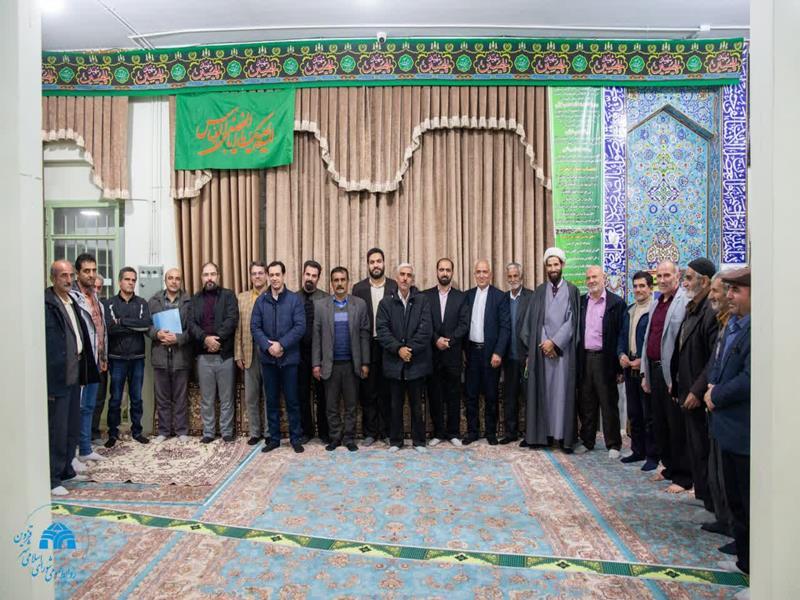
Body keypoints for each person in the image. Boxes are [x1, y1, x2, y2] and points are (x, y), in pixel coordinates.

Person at [704, 267, 751, 577]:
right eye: (729, 290)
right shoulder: (732, 324)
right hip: (726, 426)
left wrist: (716, 394)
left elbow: (749, 379)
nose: (729, 296)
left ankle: (753, 567)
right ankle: (743, 561)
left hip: (742, 429)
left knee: (747, 501)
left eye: (736, 290)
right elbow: (718, 363)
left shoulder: (757, 329)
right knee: (735, 499)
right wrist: (711, 387)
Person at [45, 260, 98, 495]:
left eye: (70, 275)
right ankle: (53, 478)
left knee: (71, 425)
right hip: (58, 375)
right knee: (57, 429)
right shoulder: (48, 304)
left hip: (75, 372)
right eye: (63, 276)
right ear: (53, 278)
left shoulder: (71, 301)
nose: (68, 280)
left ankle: (67, 469)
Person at [670, 258, 719, 510]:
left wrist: (697, 391)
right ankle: (704, 496)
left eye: (689, 278)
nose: (685, 283)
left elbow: (713, 359)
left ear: (705, 281)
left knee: (703, 448)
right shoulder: (694, 308)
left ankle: (712, 502)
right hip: (686, 388)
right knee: (694, 446)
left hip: (698, 394)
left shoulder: (711, 312)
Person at [520, 248, 581, 452]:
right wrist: (545, 343)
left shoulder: (572, 290)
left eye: (556, 264)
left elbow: (572, 321)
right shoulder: (539, 291)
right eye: (549, 265)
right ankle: (543, 436)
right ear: (546, 267)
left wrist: (554, 343)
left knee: (561, 395)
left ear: (562, 266)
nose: (553, 268)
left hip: (563, 353)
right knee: (543, 394)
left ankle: (563, 438)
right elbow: (534, 322)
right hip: (542, 353)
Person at [641, 260, 690, 493]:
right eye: (659, 276)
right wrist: (645, 373)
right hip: (654, 370)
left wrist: (677, 378)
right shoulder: (656, 303)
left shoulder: (684, 302)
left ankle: (683, 476)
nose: (662, 280)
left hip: (672, 373)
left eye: (667, 275)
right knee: (659, 423)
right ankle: (669, 467)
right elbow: (648, 339)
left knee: (676, 425)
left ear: (677, 276)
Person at [312, 267, 370, 452]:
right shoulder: (321, 306)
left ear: (347, 282)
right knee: (331, 406)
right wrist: (316, 363)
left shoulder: (359, 304)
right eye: (336, 280)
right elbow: (316, 337)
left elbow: (364, 335)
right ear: (331, 283)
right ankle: (335, 437)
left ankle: (349, 438)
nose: (339, 283)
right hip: (330, 365)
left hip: (352, 364)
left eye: (342, 279)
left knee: (351, 405)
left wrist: (365, 362)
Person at [376, 263, 432, 452]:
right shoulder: (385, 303)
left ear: (412, 279)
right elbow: (382, 331)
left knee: (417, 406)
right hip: (394, 363)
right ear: (396, 277)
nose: (405, 278)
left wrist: (409, 350)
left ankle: (419, 442)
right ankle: (396, 441)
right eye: (402, 274)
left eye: (409, 275)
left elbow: (425, 330)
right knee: (395, 405)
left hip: (416, 363)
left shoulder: (422, 301)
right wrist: (398, 349)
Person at [251, 261, 306, 453]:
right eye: (271, 275)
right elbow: (255, 327)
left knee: (292, 401)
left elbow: (300, 327)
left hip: (289, 360)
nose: (274, 278)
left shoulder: (294, 300)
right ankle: (274, 439)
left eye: (277, 274)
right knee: (272, 401)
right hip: (268, 360)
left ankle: (296, 438)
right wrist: (268, 347)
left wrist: (281, 344)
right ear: (268, 276)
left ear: (283, 275)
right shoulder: (261, 301)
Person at [576, 266, 625, 457]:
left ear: (603, 278)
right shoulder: (581, 302)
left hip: (606, 360)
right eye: (588, 278)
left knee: (608, 403)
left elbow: (621, 334)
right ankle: (587, 441)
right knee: (586, 403)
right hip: (585, 358)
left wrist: (619, 367)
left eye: (594, 277)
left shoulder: (616, 303)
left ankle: (613, 444)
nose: (591, 281)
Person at [188, 262, 239, 444]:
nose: (209, 278)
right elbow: (191, 324)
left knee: (226, 397)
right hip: (203, 356)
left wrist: (217, 340)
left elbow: (232, 319)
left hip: (225, 355)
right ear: (202, 277)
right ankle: (208, 432)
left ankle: (226, 432)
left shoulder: (229, 296)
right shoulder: (195, 299)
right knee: (207, 398)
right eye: (206, 274)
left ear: (218, 276)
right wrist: (205, 339)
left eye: (212, 274)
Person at [701, 272, 735, 538]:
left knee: (729, 471)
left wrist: (716, 392)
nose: (712, 296)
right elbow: (715, 361)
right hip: (714, 400)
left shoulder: (741, 327)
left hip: (729, 407)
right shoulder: (725, 323)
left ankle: (735, 527)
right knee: (717, 466)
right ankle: (724, 519)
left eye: (716, 291)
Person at [352, 247, 398, 445]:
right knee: (368, 391)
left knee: (387, 391)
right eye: (372, 262)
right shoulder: (358, 289)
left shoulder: (394, 286)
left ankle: (387, 432)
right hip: (367, 344)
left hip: (389, 346)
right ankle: (370, 432)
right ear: (368, 265)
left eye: (379, 261)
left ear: (384, 263)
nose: (376, 265)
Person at [422, 258, 469, 446]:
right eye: (441, 269)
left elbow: (464, 324)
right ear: (436, 272)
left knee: (453, 395)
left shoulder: (461, 297)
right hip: (432, 355)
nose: (444, 273)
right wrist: (436, 340)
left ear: (452, 273)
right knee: (435, 395)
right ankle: (438, 433)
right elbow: (424, 323)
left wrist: (449, 341)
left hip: (453, 355)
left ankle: (453, 433)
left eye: (448, 270)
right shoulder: (426, 296)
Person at [104, 267, 152, 447]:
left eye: (133, 280)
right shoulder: (109, 304)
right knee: (115, 398)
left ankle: (137, 431)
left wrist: (122, 321)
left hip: (137, 357)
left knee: (136, 398)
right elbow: (110, 329)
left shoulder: (142, 303)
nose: (131, 283)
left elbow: (145, 324)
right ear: (120, 281)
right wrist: (132, 326)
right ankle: (112, 433)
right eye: (127, 279)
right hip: (116, 358)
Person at [463, 260, 510, 445]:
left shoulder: (500, 296)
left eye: (485, 272)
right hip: (472, 353)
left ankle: (491, 432)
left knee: (491, 395)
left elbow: (505, 328)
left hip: (491, 354)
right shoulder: (467, 296)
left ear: (490, 274)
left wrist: (498, 352)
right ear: (474, 274)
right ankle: (472, 432)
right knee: (471, 395)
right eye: (478, 272)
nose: (481, 275)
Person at [69, 253, 108, 464]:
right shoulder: (73, 299)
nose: (91, 275)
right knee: (76, 408)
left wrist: (103, 357)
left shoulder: (96, 299)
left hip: (96, 362)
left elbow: (101, 332)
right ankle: (72, 453)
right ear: (78, 273)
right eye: (86, 271)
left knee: (89, 407)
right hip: (81, 363)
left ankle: (85, 449)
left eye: (94, 270)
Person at [617, 271, 658, 469]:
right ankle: (637, 450)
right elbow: (621, 336)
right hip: (629, 368)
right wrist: (621, 355)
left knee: (649, 414)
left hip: (645, 370)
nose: (638, 290)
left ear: (650, 288)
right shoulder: (629, 310)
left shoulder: (655, 310)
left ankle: (652, 456)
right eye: (635, 286)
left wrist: (643, 361)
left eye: (642, 286)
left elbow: (655, 342)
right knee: (634, 413)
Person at [148, 268, 193, 443]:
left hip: (180, 356)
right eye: (171, 278)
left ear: (181, 281)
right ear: (165, 280)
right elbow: (146, 326)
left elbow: (193, 330)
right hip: (160, 355)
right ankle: (163, 431)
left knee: (180, 397)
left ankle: (182, 431)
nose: (174, 281)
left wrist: (178, 338)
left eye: (177, 278)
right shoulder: (154, 301)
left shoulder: (189, 302)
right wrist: (157, 334)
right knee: (162, 397)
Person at [235, 261, 268, 445]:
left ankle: (269, 432)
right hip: (248, 353)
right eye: (254, 273)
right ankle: (255, 432)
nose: (257, 276)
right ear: (250, 276)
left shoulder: (273, 295)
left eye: (260, 273)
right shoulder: (242, 298)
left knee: (269, 395)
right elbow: (238, 329)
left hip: (268, 352)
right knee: (251, 396)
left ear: (266, 275)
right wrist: (238, 354)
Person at [499, 262, 532, 445]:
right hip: (508, 358)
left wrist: (531, 354)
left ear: (521, 277)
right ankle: (511, 433)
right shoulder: (502, 298)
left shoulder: (531, 297)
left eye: (515, 276)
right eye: (509, 276)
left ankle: (530, 435)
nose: (512, 279)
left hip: (526, 357)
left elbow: (536, 328)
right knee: (510, 397)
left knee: (528, 397)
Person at [297, 260, 330, 443]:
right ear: (303, 274)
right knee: (302, 394)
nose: (310, 278)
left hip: (321, 354)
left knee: (322, 395)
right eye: (308, 274)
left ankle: (324, 432)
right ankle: (306, 431)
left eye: (314, 276)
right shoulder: (293, 298)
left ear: (318, 278)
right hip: (299, 355)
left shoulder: (326, 299)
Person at [91, 273, 109, 445]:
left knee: (99, 398)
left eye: (99, 287)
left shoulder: (101, 306)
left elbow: (104, 335)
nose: (96, 290)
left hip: (101, 359)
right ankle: (81, 436)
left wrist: (104, 358)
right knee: (84, 401)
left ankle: (94, 432)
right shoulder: (81, 305)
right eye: (93, 287)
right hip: (87, 361)